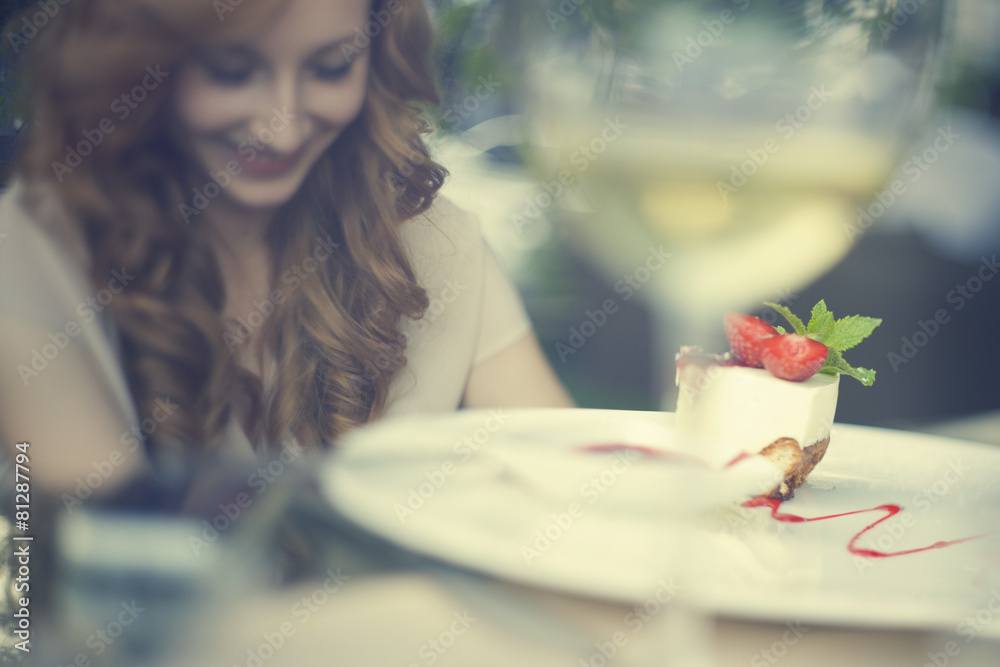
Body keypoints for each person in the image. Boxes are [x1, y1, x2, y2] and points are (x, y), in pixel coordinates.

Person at [0, 0, 574, 495]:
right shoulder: (35, 248)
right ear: (142, 61)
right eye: (231, 71)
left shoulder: (431, 241)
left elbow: (574, 494)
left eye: (331, 67)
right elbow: (111, 586)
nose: (283, 129)